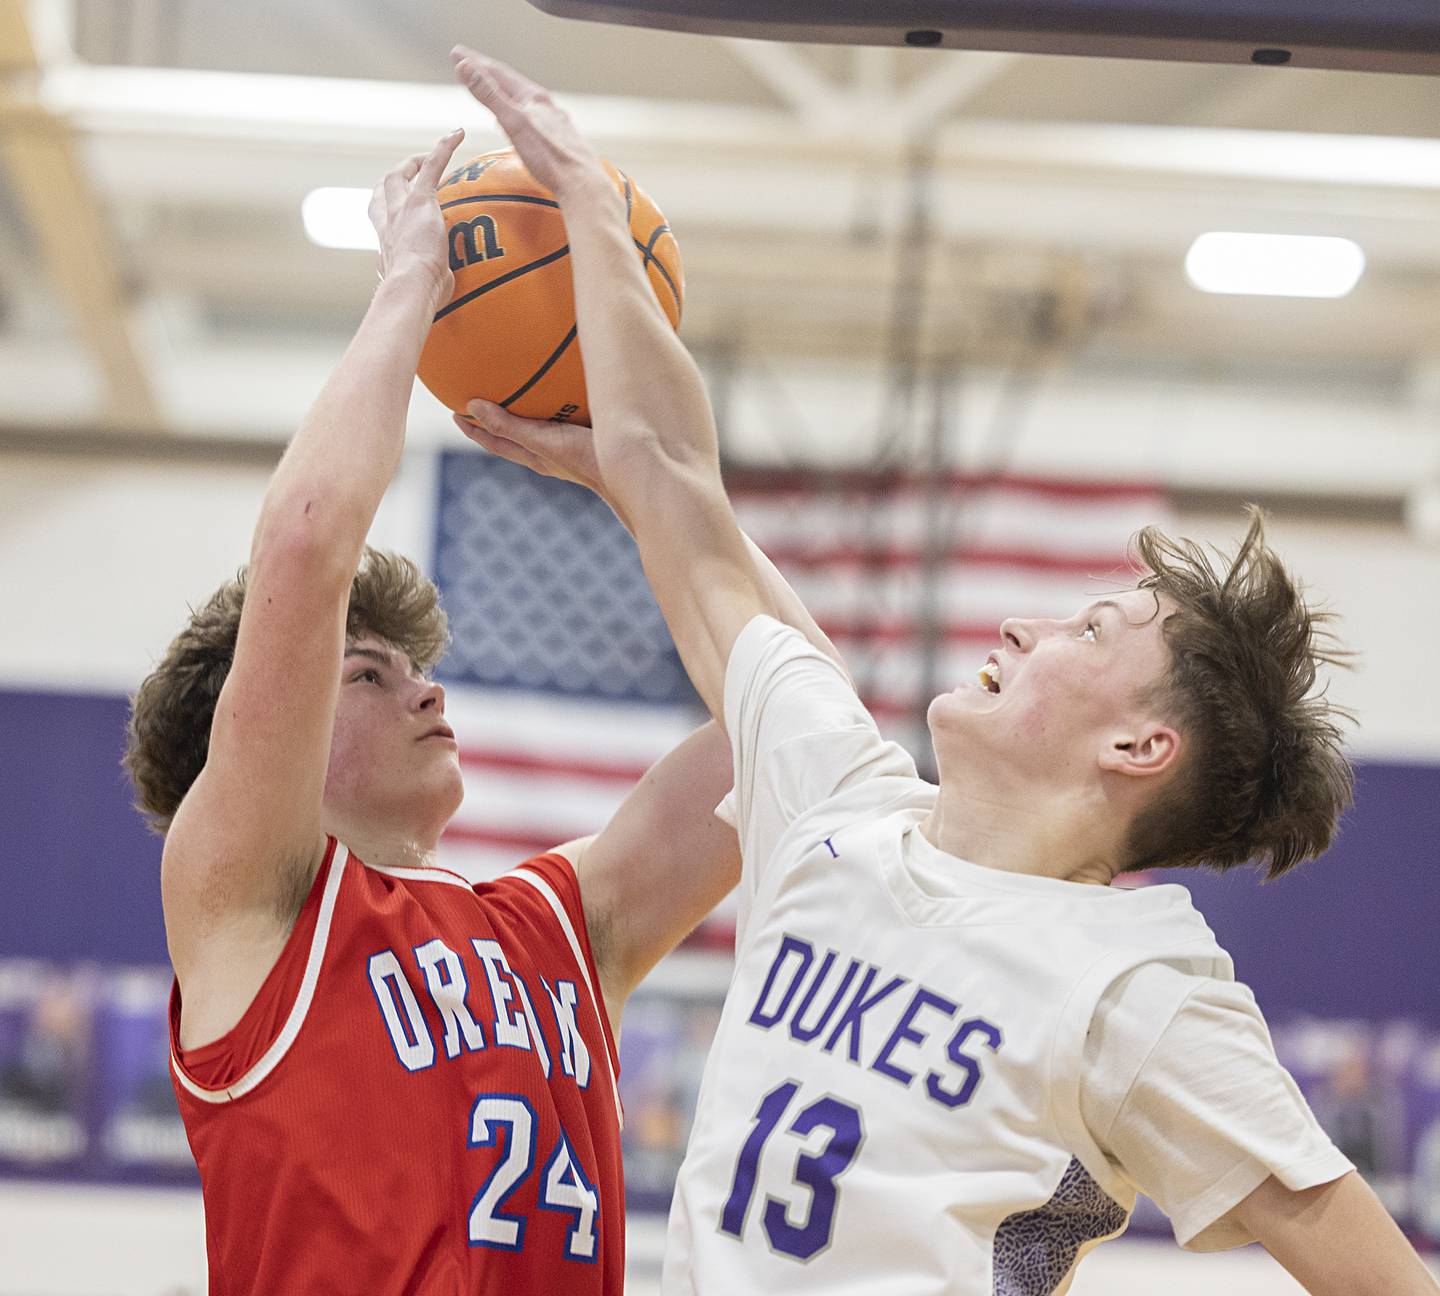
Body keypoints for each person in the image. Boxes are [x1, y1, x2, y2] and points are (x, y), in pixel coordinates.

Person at [451, 49, 1440, 1296]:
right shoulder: (837, 808)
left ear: (1139, 748)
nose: (1030, 632)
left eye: (1092, 634)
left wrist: (596, 224)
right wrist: (625, 438)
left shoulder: (1137, 988)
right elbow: (677, 477)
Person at [121, 110, 830, 1294]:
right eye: (370, 671)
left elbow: (807, 729)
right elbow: (306, 544)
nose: (425, 685)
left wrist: (644, 485)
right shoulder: (246, 903)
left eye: (414, 664)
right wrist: (410, 283)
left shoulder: (561, 925)